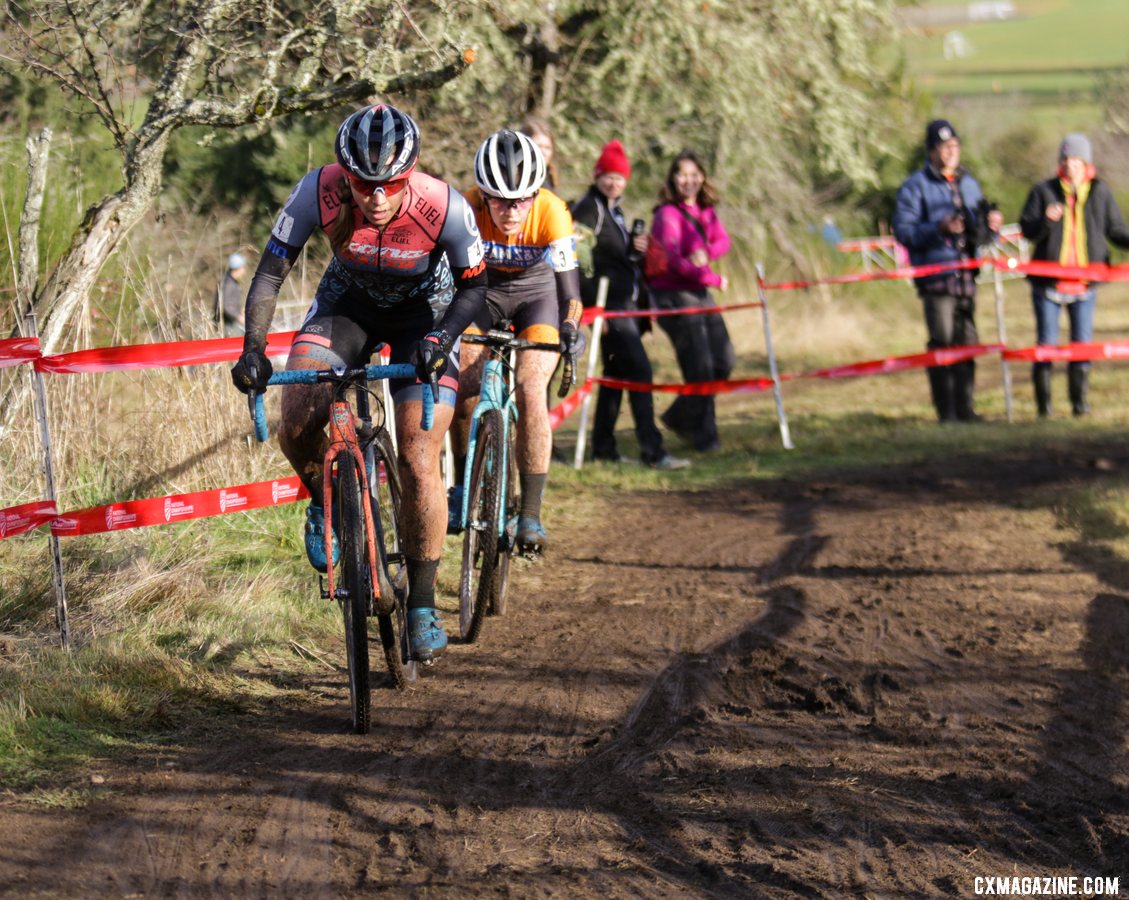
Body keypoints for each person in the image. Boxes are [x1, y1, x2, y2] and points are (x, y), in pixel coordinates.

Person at [229, 104, 487, 662]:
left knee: (420, 455)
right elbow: (271, 273)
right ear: (344, 175)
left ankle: (421, 603)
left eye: (390, 183)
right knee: (296, 422)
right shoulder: (316, 190)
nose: (375, 196)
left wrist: (442, 341)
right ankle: (324, 505)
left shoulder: (444, 205)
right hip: (347, 305)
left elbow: (474, 290)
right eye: (362, 184)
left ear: (409, 173)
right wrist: (252, 349)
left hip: (427, 313)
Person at [450, 129, 585, 554]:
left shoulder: (553, 211)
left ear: (536, 193)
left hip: (536, 298)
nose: (511, 211)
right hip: (481, 294)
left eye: (521, 200)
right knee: (463, 388)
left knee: (530, 388)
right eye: (500, 201)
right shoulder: (465, 207)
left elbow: (571, 292)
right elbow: (445, 278)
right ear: (483, 195)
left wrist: (571, 329)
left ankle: (529, 513)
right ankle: (461, 486)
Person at [571, 139, 689, 470]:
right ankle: (654, 452)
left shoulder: (615, 210)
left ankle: (603, 448)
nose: (613, 182)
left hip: (626, 304)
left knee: (617, 374)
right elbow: (577, 261)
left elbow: (613, 257)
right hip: (610, 309)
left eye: (619, 177)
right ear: (597, 175)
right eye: (607, 175)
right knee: (640, 372)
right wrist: (594, 309)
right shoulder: (588, 209)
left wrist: (635, 250)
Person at [893, 119, 1003, 423]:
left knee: (968, 341)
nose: (952, 152)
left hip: (967, 277)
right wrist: (938, 228)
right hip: (936, 278)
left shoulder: (969, 183)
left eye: (955, 145)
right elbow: (903, 231)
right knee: (942, 343)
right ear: (932, 151)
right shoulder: (915, 187)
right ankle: (947, 412)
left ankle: (967, 408)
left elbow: (980, 232)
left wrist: (991, 226)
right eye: (945, 146)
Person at [1018, 133, 1129, 417]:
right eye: (1065, 159)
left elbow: (1116, 230)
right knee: (1047, 345)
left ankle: (1080, 405)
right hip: (1048, 285)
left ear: (1086, 162)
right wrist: (1046, 219)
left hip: (1085, 285)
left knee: (1082, 345)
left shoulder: (1100, 192)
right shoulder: (1043, 191)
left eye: (1075, 159)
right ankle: (1044, 408)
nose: (1070, 165)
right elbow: (1028, 230)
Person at [647, 149, 735, 453]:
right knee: (701, 368)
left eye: (694, 174)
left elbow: (723, 240)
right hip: (673, 295)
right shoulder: (666, 215)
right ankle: (706, 438)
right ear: (673, 178)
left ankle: (679, 416)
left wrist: (707, 254)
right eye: (682, 174)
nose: (689, 180)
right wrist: (710, 278)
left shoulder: (706, 210)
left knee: (724, 361)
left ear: (703, 177)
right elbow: (671, 260)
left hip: (699, 291)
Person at [520, 116, 558, 190]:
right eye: (539, 146)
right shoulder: (517, 181)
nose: (544, 152)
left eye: (547, 147)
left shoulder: (548, 178)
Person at [218, 252, 247, 336]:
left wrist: (240, 310)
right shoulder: (229, 284)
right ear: (238, 268)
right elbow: (226, 306)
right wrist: (239, 317)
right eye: (243, 267)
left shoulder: (229, 281)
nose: (244, 270)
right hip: (230, 323)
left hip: (232, 321)